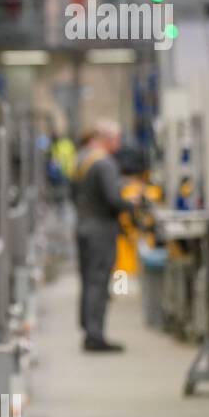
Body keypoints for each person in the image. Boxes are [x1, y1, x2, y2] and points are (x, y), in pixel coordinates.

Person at [73, 119, 131, 352]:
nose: (118, 145)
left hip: (83, 226)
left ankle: (88, 328)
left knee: (88, 281)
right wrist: (131, 203)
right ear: (107, 139)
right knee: (99, 282)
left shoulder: (82, 159)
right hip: (101, 230)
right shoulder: (105, 163)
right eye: (116, 139)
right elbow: (113, 199)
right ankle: (96, 336)